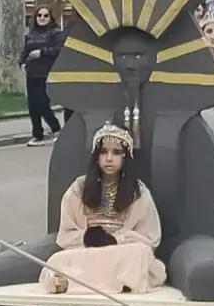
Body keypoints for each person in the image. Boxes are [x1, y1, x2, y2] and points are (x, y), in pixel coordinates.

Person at [40, 123, 165, 295]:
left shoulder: (138, 191)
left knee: (140, 253)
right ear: (96, 157)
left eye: (116, 153)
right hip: (87, 251)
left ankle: (94, 281)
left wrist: (115, 239)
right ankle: (113, 281)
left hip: (121, 251)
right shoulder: (79, 187)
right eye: (104, 152)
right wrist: (88, 237)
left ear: (125, 157)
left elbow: (149, 238)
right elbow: (65, 235)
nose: (109, 158)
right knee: (58, 259)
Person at [20, 5, 66, 145]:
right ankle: (37, 134)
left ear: (50, 18)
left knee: (42, 103)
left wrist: (42, 52)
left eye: (46, 16)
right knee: (32, 105)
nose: (42, 18)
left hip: (46, 72)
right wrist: (21, 62)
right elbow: (26, 50)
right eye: (39, 15)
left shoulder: (56, 33)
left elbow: (59, 49)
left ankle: (56, 127)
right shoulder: (31, 34)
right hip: (32, 72)